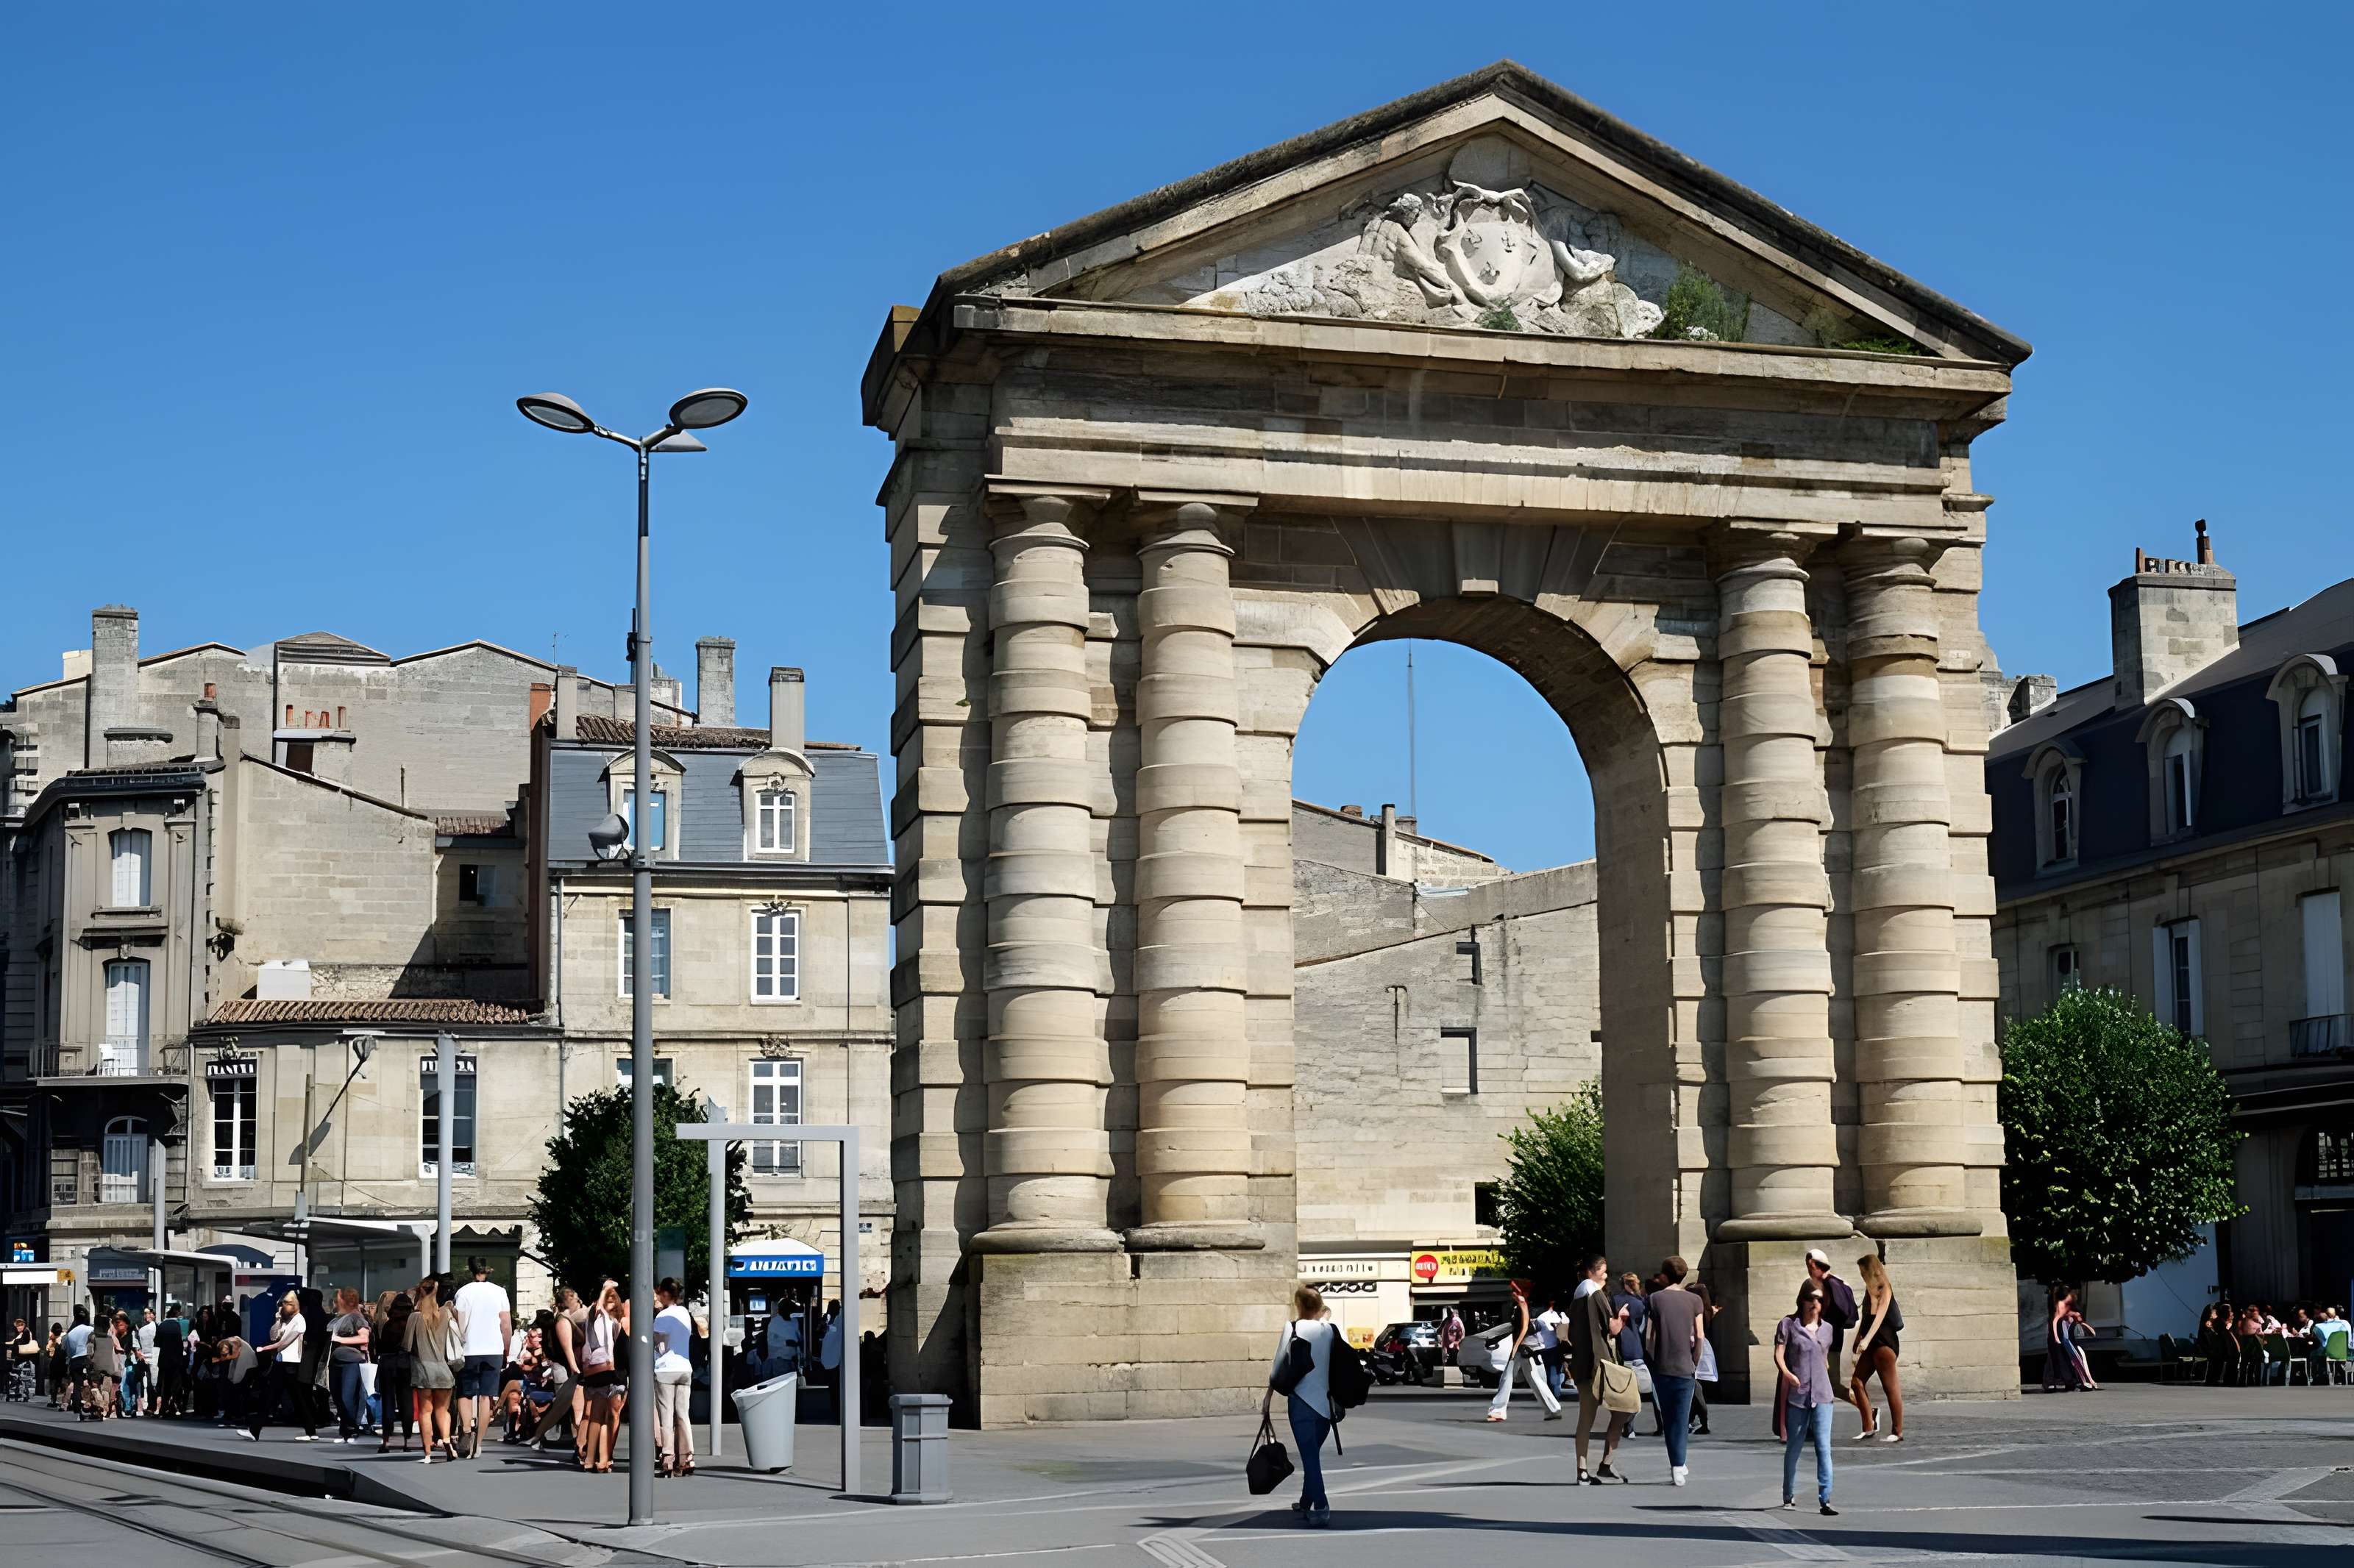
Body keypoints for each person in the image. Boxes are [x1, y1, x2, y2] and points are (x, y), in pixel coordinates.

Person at [1264, 1283, 1340, 1528]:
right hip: (1327, 1405)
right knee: (1312, 1455)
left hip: (1301, 1403)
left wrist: (1268, 1399)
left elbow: (1278, 1366)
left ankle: (1322, 1505)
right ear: (1320, 1306)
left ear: (1298, 1305)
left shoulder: (1293, 1328)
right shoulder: (1330, 1330)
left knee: (1310, 1457)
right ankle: (1307, 1500)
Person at [1774, 1280, 1838, 1517]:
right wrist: (1788, 1374)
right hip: (1798, 1395)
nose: (1815, 1303)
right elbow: (1779, 1355)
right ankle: (1788, 1495)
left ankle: (1826, 1499)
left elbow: (1824, 1359)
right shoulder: (1789, 1325)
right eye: (1811, 1298)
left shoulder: (1828, 1329)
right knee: (1795, 1446)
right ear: (1802, 1299)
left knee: (1824, 1447)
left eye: (1820, 1300)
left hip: (1823, 1395)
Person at [1568, 1254, 1632, 1484]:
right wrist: (1623, 1317)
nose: (1606, 1275)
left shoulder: (1578, 1294)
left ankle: (1583, 1469)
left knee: (1586, 1418)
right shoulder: (1593, 1292)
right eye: (1604, 1271)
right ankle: (1605, 1463)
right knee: (1624, 1409)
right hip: (1600, 1364)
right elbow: (1613, 1328)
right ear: (1593, 1272)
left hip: (1584, 1364)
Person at [1644, 1257, 1705, 1487]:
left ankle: (1678, 1462)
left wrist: (1653, 1357)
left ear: (1665, 1275)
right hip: (1685, 1366)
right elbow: (1699, 1335)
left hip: (1662, 1365)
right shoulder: (1695, 1300)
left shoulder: (1655, 1299)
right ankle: (1678, 1465)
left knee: (1668, 1417)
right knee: (1681, 1417)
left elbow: (1649, 1336)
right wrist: (1695, 1360)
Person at [451, 1258, 512, 1461]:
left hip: (470, 1348)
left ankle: (467, 1431)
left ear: (471, 1271)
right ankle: (478, 1444)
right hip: (493, 1348)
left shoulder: (463, 1292)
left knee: (465, 1393)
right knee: (487, 1397)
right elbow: (505, 1323)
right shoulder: (500, 1292)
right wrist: (506, 1349)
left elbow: (460, 1323)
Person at [1485, 1277, 1562, 1422]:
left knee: (1510, 1378)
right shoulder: (1519, 1305)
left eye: (1515, 1290)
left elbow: (1524, 1328)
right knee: (1532, 1379)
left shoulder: (1522, 1304)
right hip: (1525, 1348)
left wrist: (1515, 1347)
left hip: (1524, 1348)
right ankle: (1553, 1409)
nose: (1512, 1293)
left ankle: (1498, 1410)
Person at [1849, 1252, 1904, 1442]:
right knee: (1856, 1381)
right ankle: (1869, 1426)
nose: (1862, 1275)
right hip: (1871, 1343)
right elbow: (1866, 1318)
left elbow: (1879, 1318)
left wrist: (1866, 1341)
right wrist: (1858, 1339)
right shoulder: (1868, 1290)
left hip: (1884, 1344)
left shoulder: (1885, 1289)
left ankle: (1898, 1431)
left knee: (1891, 1389)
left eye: (1864, 1271)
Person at [245, 1291, 315, 1442]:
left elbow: (283, 1343)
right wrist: (278, 1320)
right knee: (295, 1397)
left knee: (272, 1395)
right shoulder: (286, 1321)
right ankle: (311, 1431)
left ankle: (255, 1430)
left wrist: (265, 1349)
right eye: (283, 1304)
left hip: (289, 1362)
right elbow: (273, 1335)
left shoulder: (299, 1320)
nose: (284, 1307)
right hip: (281, 1361)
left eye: (287, 1304)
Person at [405, 1277, 461, 1462]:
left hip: (424, 1370)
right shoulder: (445, 1314)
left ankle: (428, 1453)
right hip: (443, 1370)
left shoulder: (414, 1317)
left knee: (425, 1412)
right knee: (443, 1411)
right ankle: (447, 1442)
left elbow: (407, 1345)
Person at [652, 1278, 702, 1478]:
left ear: (665, 1294)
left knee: (666, 1416)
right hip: (685, 1368)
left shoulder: (662, 1316)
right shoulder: (684, 1314)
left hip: (666, 1369)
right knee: (683, 1415)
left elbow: (660, 1346)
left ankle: (668, 1460)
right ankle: (688, 1458)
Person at [578, 1280, 628, 1474]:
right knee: (599, 1417)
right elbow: (598, 1306)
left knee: (603, 1417)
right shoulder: (594, 1314)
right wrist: (606, 1289)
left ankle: (599, 1460)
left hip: (609, 1369)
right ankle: (594, 1459)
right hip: (600, 1369)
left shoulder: (613, 1320)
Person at [531, 1286, 586, 1456]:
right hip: (571, 1371)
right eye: (574, 1299)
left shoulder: (564, 1320)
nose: (578, 1302)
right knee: (573, 1409)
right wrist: (574, 1368)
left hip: (569, 1370)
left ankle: (573, 1441)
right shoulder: (563, 1320)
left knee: (568, 1408)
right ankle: (577, 1444)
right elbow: (568, 1349)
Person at [325, 1287, 371, 1442]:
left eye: (338, 1300)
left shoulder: (356, 1318)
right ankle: (345, 1428)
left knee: (347, 1396)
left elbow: (364, 1338)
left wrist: (341, 1340)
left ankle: (352, 1428)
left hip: (351, 1361)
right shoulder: (338, 1318)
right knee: (337, 1395)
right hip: (336, 1361)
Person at [1612, 1272, 1654, 1434]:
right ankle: (1627, 1426)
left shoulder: (1614, 1301)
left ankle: (1626, 1426)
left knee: (1624, 1393)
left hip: (1620, 1351)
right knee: (1640, 1393)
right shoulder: (1639, 1304)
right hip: (1636, 1351)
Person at [377, 1291, 416, 1454]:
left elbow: (379, 1347)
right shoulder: (411, 1325)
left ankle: (386, 1440)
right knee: (406, 1401)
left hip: (387, 1364)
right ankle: (407, 1440)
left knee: (388, 1402)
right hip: (406, 1364)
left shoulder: (387, 1324)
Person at [1687, 1279, 1720, 1435]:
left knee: (1694, 1386)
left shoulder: (1695, 1312)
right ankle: (1693, 1420)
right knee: (1695, 1386)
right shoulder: (1707, 1311)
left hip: (1695, 1347)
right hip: (1704, 1347)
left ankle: (1703, 1422)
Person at [2042, 1286, 2087, 1392]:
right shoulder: (2059, 1301)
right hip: (2061, 1330)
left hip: (2064, 1329)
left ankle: (2065, 1381)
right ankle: (2066, 1381)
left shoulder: (2063, 1301)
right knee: (2060, 1355)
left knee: (2064, 1355)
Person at [1532, 1297, 1568, 1397]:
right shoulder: (1558, 1315)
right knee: (1556, 1369)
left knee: (1550, 1370)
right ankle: (1556, 1391)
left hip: (1546, 1348)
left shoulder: (1541, 1318)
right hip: (1556, 1347)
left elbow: (1537, 1334)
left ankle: (1553, 1392)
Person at [155, 1303, 187, 1416]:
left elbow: (157, 1343)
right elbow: (181, 1344)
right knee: (176, 1385)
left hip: (164, 1360)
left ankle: (164, 1408)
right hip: (176, 1360)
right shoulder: (178, 1326)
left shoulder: (162, 1326)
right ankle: (176, 1406)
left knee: (165, 1385)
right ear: (178, 1312)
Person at [61, 1306, 93, 1416]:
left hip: (75, 1360)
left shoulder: (70, 1333)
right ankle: (88, 1405)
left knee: (77, 1384)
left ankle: (76, 1404)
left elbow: (66, 1349)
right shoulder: (90, 1330)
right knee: (90, 1382)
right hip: (87, 1358)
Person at [7, 1318, 38, 1403]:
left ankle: (23, 1395)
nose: (19, 1328)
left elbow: (24, 1342)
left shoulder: (26, 1332)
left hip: (23, 1359)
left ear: (23, 1325)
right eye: (17, 1326)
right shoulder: (24, 1333)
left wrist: (15, 1342)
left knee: (22, 1378)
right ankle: (23, 1395)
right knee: (22, 1378)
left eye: (20, 1326)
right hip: (23, 1358)